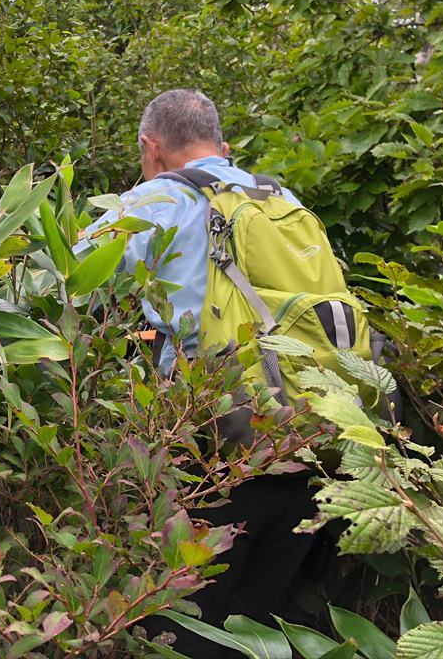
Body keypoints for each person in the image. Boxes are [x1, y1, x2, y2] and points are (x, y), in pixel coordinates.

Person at [77, 89, 317, 656]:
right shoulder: (278, 196)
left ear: (150, 147)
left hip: (218, 443)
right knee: (259, 628)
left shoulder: (156, 199)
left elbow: (68, 281)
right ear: (223, 148)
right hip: (313, 432)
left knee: (186, 627)